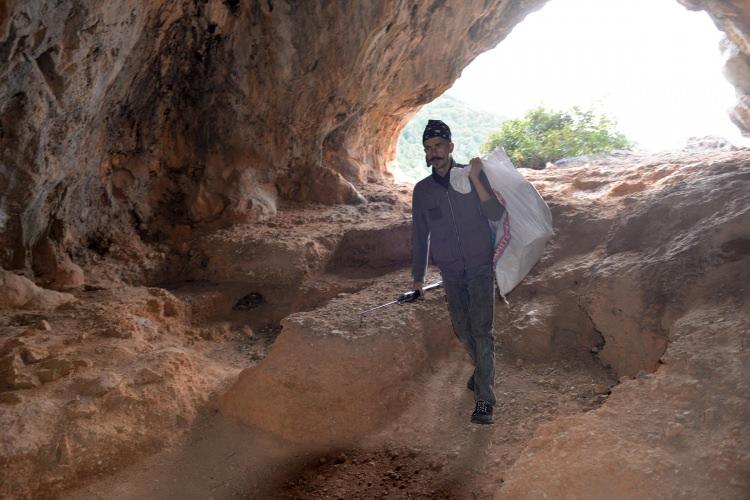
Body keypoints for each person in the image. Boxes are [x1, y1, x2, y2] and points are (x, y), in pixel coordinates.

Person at [411, 119, 505, 424]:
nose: (434, 153)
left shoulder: (471, 176)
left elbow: (495, 213)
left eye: (439, 146)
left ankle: (484, 401)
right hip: (451, 272)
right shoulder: (422, 191)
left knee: (482, 331)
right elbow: (419, 235)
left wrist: (478, 180)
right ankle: (481, 371)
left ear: (451, 147)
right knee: (462, 328)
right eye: (428, 148)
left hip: (480, 266)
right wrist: (418, 277)